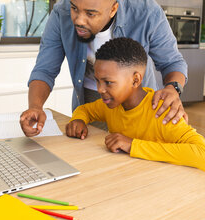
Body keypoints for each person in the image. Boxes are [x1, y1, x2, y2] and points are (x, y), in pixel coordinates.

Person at [20, 0, 188, 138]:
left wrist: (173, 88)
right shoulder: (60, 13)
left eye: (90, 14)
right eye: (74, 8)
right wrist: (36, 106)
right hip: (90, 103)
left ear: (113, 9)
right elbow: (45, 69)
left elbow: (172, 62)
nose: (79, 20)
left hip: (138, 108)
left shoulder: (146, 12)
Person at [66, 37, 205, 171]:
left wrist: (133, 145)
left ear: (135, 80)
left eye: (108, 82)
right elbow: (85, 110)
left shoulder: (162, 111)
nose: (100, 89)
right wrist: (78, 119)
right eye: (97, 80)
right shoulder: (112, 105)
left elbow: (201, 153)